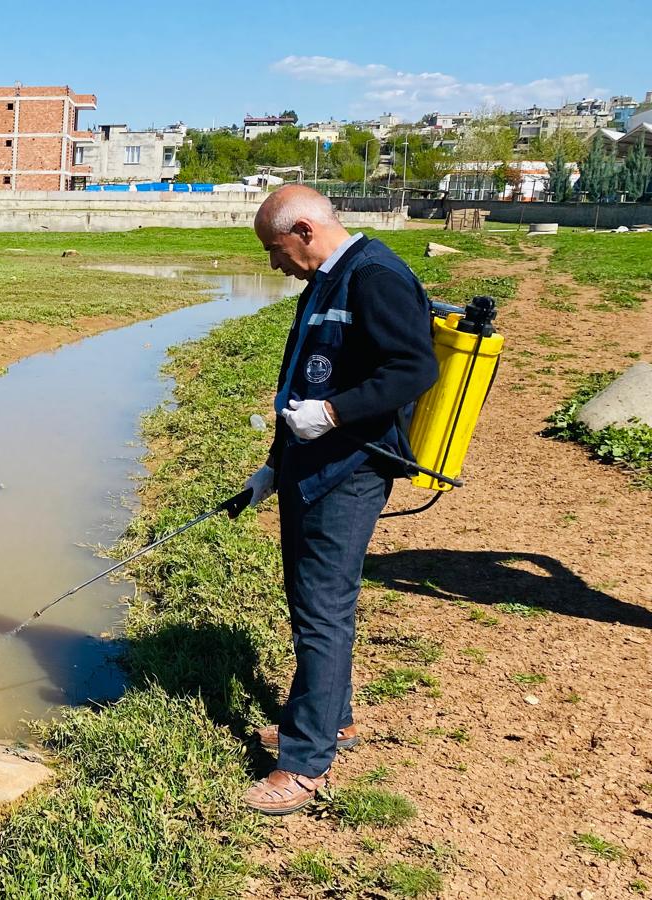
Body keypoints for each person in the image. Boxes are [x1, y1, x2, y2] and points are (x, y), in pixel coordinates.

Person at [239, 185, 440, 815]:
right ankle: (332, 721)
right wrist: (273, 464)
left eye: (274, 249)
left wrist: (332, 413)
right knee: (312, 602)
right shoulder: (326, 279)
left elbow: (414, 368)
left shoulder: (375, 275)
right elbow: (299, 374)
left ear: (302, 229)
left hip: (349, 471)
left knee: (322, 609)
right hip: (306, 466)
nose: (273, 263)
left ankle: (303, 764)